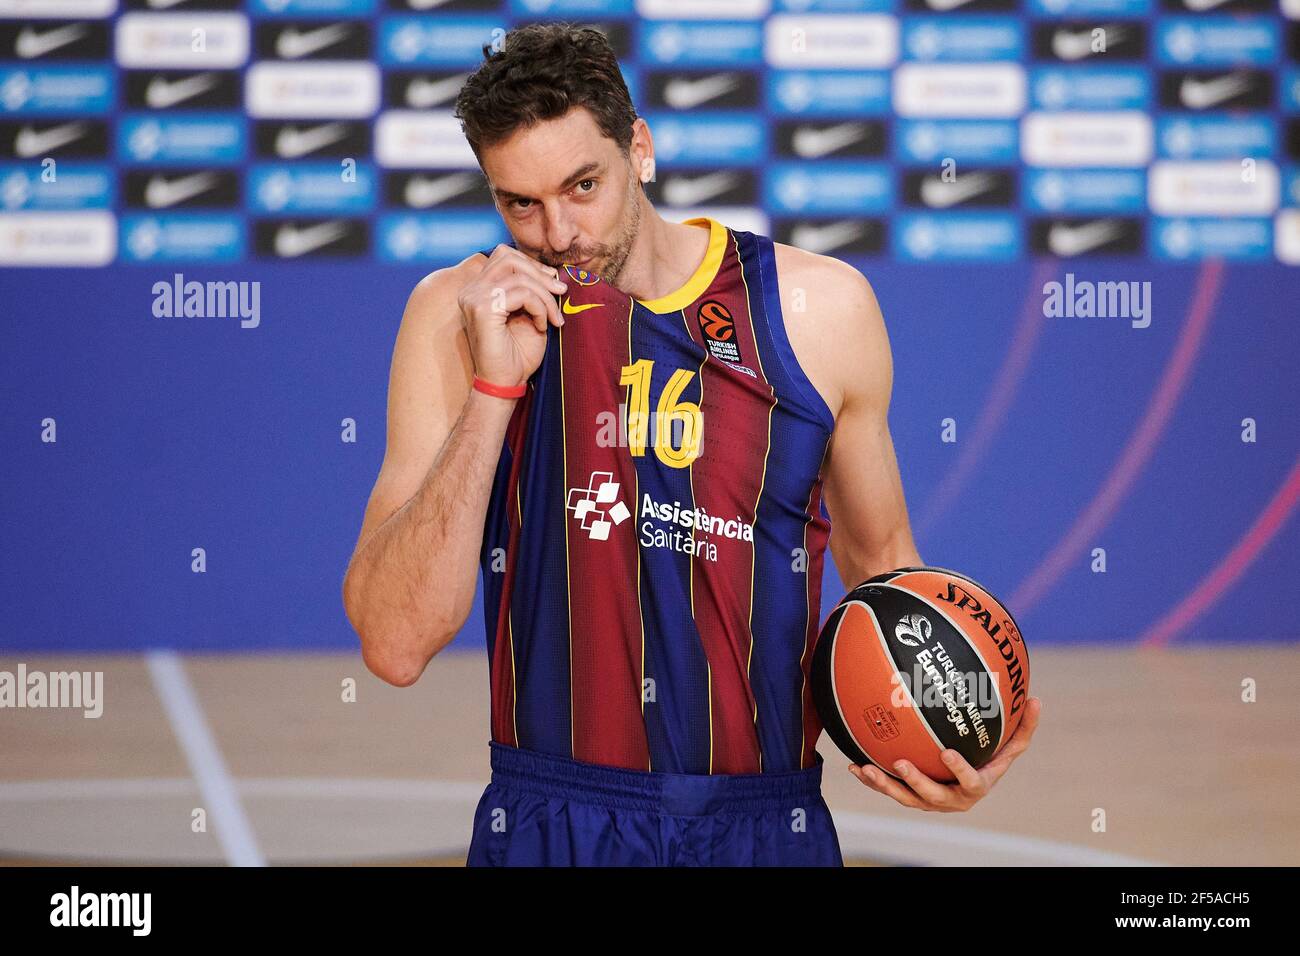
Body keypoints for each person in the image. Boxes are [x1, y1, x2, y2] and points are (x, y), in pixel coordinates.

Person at [342, 22, 1041, 866]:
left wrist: (942, 737)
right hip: (551, 823)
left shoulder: (816, 311)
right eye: (519, 202)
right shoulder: (459, 317)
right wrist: (495, 391)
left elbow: (884, 570)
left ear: (640, 149)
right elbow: (393, 644)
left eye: (583, 185)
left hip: (761, 824)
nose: (558, 233)